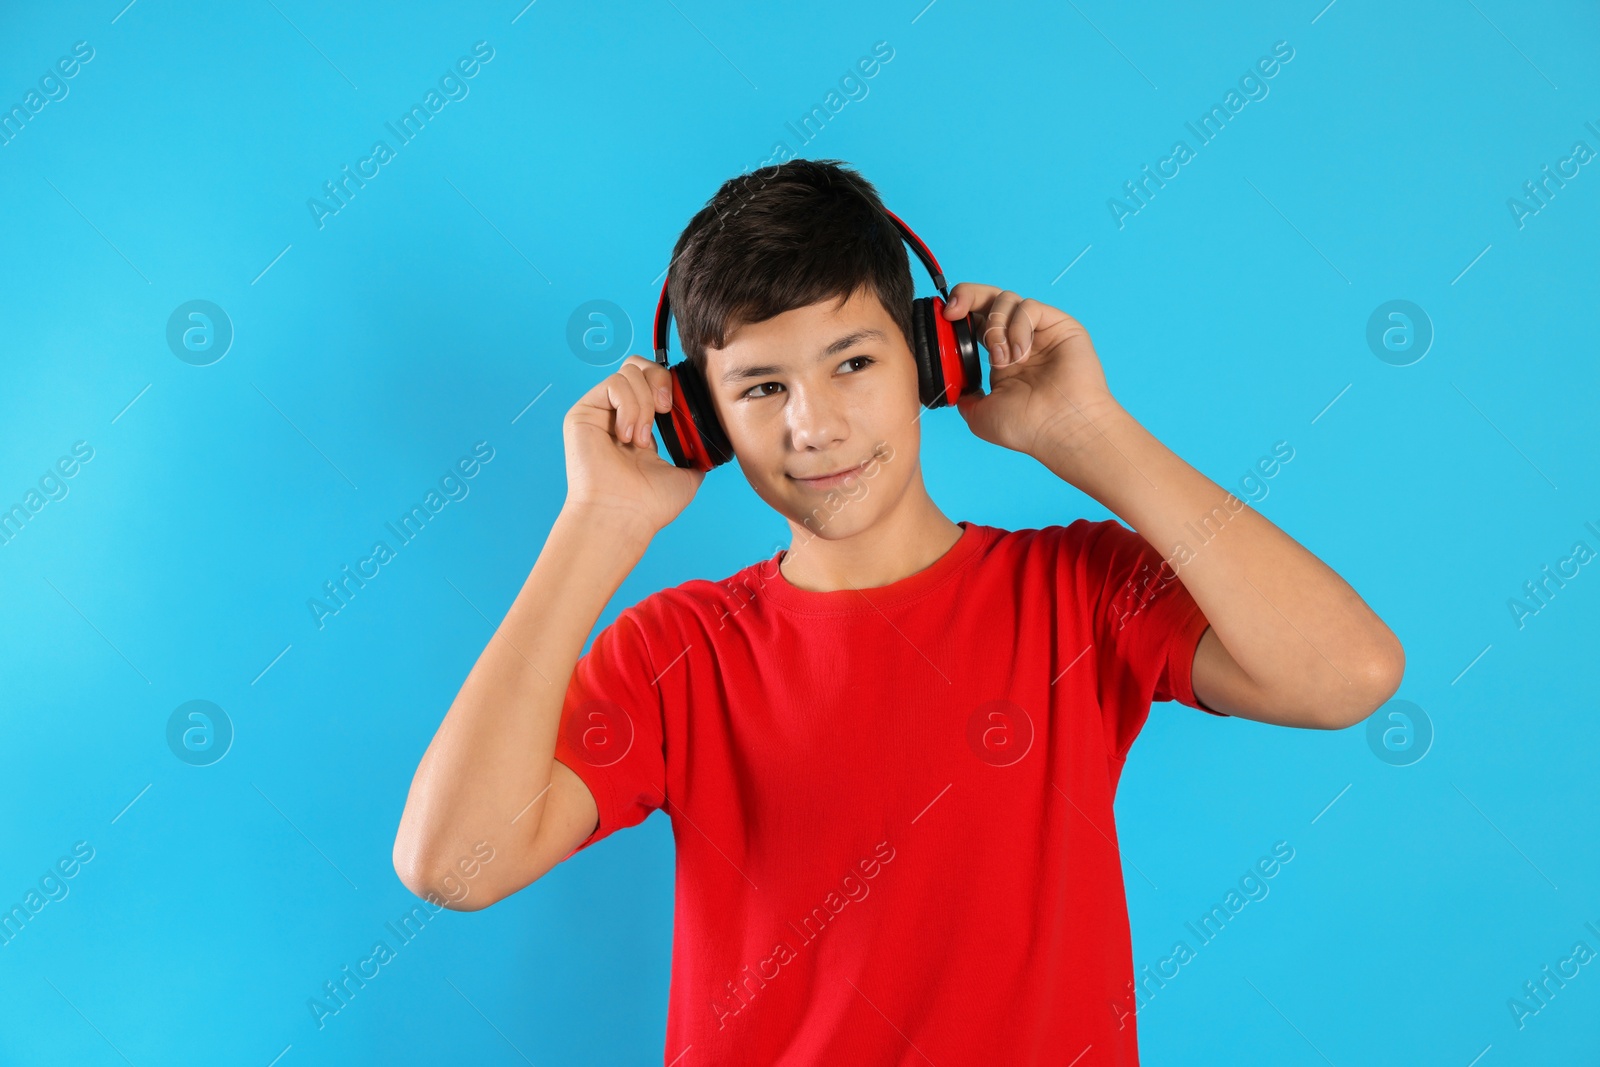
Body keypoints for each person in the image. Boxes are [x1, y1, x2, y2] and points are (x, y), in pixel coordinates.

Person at [392, 159, 1404, 1064]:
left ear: (932, 360)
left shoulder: (1076, 589)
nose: (812, 424)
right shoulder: (677, 649)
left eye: (853, 362)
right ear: (696, 419)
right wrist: (595, 526)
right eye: (757, 388)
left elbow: (1344, 674)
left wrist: (1085, 431)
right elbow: (451, 863)